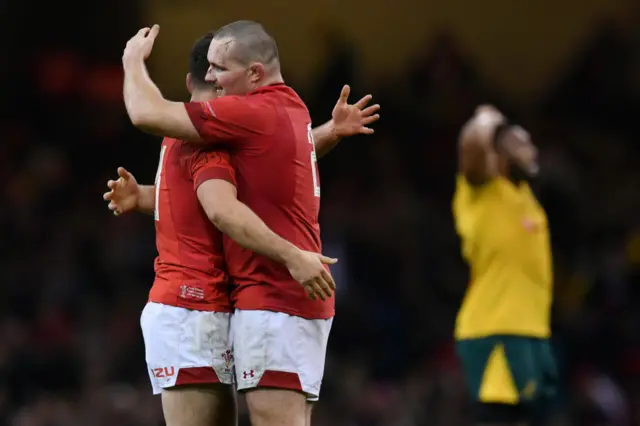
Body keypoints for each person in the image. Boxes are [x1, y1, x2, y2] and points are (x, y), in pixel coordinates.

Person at [117, 22, 380, 426]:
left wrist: (133, 61)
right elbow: (263, 169)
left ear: (254, 73)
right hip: (254, 301)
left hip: (269, 297)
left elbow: (145, 114)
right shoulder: (292, 107)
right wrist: (328, 133)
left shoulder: (235, 118)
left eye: (220, 69)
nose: (212, 79)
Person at [453, 105, 557, 426]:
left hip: (532, 330)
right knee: (501, 419)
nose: (532, 149)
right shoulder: (480, 193)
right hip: (497, 329)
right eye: (520, 142)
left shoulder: (524, 197)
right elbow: (471, 150)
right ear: (498, 154)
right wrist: (486, 122)